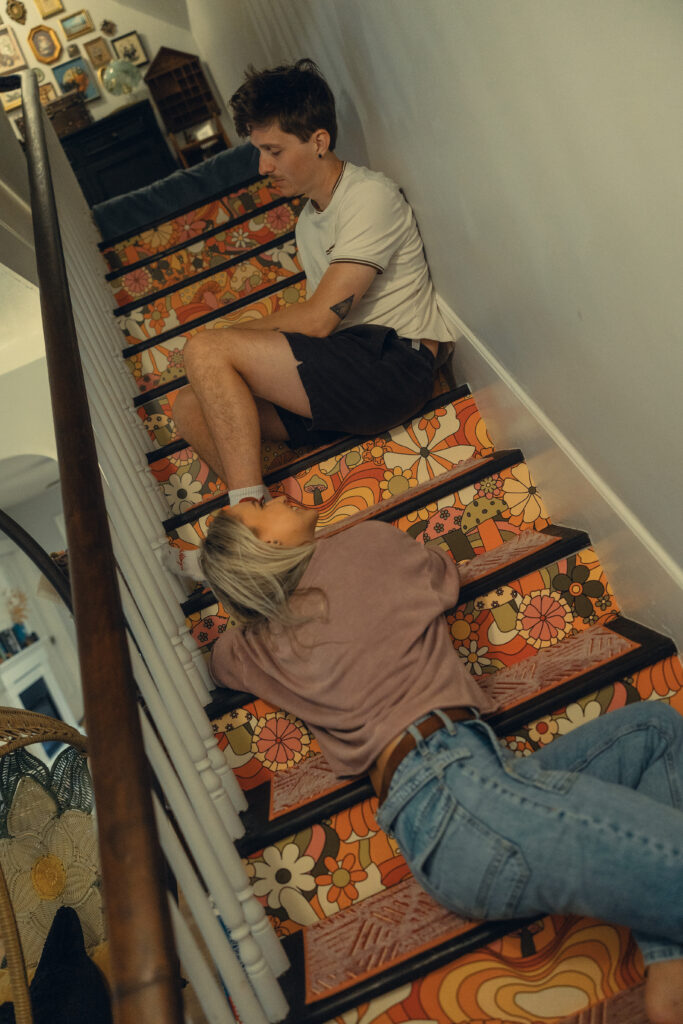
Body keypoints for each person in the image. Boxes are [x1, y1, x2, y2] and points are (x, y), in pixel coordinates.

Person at [201, 496, 683, 1024]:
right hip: (457, 794)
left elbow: (220, 660)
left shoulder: (254, 648)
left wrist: (245, 592)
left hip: (459, 807)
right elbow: (441, 575)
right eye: (258, 508)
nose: (273, 496)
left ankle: (672, 971)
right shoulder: (364, 545)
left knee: (652, 732)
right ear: (265, 545)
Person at [173, 59, 454, 510]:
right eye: (259, 151)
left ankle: (246, 513)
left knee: (205, 350)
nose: (263, 166)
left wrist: (222, 338)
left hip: (393, 365)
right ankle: (266, 516)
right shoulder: (308, 222)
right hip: (347, 369)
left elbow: (320, 320)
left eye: (275, 151)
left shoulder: (367, 196)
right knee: (188, 407)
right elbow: (316, 331)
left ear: (319, 141)